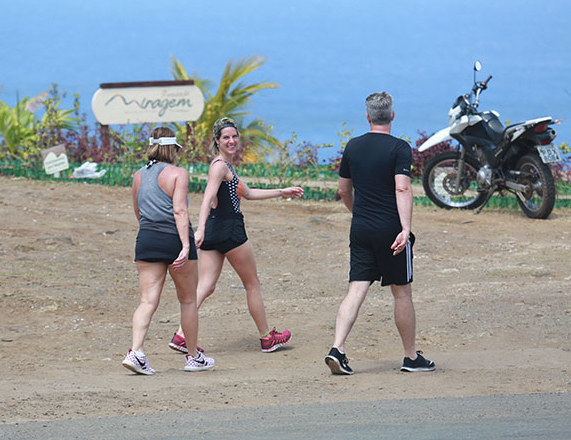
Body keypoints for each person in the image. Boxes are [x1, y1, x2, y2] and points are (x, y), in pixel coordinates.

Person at [169, 117, 304, 353]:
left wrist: (282, 192)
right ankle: (266, 338)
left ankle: (181, 335)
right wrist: (198, 229)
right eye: (226, 138)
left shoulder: (227, 167)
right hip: (229, 229)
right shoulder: (219, 166)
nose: (231, 141)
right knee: (252, 283)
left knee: (206, 286)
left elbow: (248, 194)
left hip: (215, 231)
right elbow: (208, 198)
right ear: (217, 141)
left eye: (234, 136)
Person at [325, 92, 435, 375]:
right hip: (391, 230)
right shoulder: (399, 148)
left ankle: (337, 348)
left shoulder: (352, 146)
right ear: (392, 116)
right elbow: (402, 188)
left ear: (367, 116)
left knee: (356, 289)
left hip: (360, 227)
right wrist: (406, 228)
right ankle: (411, 357)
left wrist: (357, 213)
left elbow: (343, 190)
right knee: (401, 293)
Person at [123, 127, 214, 375]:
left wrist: (150, 230)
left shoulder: (138, 175)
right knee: (188, 300)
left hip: (147, 238)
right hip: (173, 238)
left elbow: (137, 211)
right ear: (172, 148)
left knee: (147, 301)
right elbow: (180, 211)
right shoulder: (178, 173)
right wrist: (185, 245)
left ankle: (136, 352)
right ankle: (193, 357)